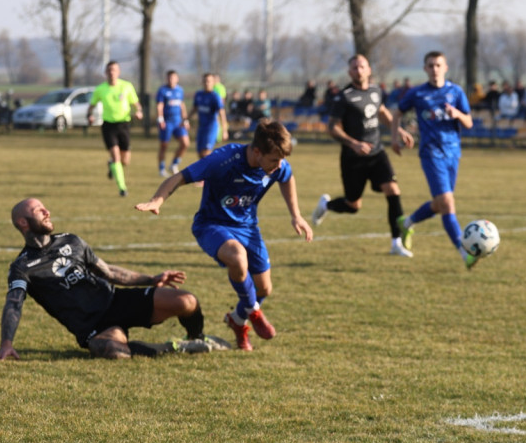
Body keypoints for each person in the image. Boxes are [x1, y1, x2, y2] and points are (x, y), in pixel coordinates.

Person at [135, 121, 313, 351]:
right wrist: (157, 200)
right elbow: (179, 177)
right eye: (274, 161)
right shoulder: (223, 159)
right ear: (257, 151)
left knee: (264, 289)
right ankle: (253, 311)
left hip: (248, 227)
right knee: (238, 257)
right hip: (211, 225)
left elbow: (288, 178)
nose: (279, 166)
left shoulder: (275, 163)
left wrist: (296, 215)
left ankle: (238, 321)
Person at [0, 198, 209, 360]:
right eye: (38, 210)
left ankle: (198, 338)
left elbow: (108, 272)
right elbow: (13, 304)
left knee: (186, 301)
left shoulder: (71, 241)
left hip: (115, 300)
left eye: (45, 207)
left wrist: (152, 279)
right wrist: (7, 343)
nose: (47, 211)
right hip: (93, 325)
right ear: (23, 222)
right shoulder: (22, 267)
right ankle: (173, 348)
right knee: (114, 351)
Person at [311, 54, 415, 257]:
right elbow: (332, 128)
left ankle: (396, 243)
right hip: (352, 159)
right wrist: (354, 143)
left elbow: (382, 111)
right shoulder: (344, 97)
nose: (359, 70)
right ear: (350, 72)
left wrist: (399, 130)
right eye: (354, 68)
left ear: (369, 70)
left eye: (362, 66)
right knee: (353, 205)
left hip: (377, 153)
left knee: (393, 190)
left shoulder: (376, 91)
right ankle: (326, 205)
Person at [391, 51, 477, 269]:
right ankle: (464, 253)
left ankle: (407, 223)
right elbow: (396, 114)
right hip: (431, 153)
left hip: (453, 154)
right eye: (430, 65)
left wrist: (457, 114)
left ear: (445, 67)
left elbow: (469, 123)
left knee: (440, 204)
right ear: (425, 69)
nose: (434, 69)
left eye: (438, 65)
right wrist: (396, 135)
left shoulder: (456, 92)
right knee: (448, 203)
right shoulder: (417, 93)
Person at [89, 61, 143, 197]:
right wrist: (89, 115)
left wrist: (139, 112)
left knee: (125, 161)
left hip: (124, 125)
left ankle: (111, 165)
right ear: (105, 73)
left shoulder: (127, 87)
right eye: (109, 70)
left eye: (114, 70)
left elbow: (137, 104)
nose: (111, 72)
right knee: (116, 156)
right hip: (108, 126)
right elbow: (92, 105)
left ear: (118, 72)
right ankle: (122, 188)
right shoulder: (100, 89)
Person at [155, 69, 190, 177]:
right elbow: (159, 105)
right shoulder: (162, 90)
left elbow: (182, 105)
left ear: (177, 79)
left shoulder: (180, 90)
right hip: (167, 122)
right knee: (164, 146)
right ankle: (161, 168)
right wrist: (160, 119)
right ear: (167, 79)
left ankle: (174, 164)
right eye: (169, 78)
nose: (171, 80)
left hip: (178, 122)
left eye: (173, 77)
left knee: (185, 143)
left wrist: (185, 119)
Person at [192, 73, 227, 158]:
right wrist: (186, 119)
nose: (206, 83)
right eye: (205, 81)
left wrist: (224, 130)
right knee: (200, 154)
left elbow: (222, 113)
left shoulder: (215, 96)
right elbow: (194, 109)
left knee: (206, 152)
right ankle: (208, 170)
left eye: (209, 81)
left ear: (213, 82)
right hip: (201, 127)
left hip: (211, 127)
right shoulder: (199, 94)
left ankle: (211, 170)